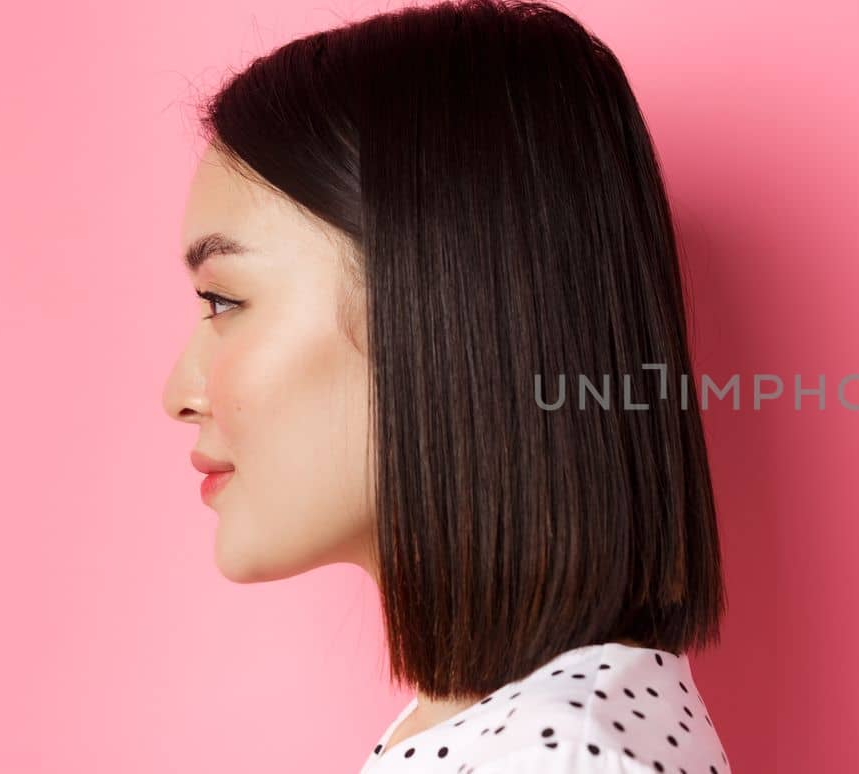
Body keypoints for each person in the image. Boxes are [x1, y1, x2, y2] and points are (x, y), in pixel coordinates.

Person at [159, 2, 730, 772]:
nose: (179, 392)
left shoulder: (555, 756)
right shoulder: (510, 729)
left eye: (225, 301)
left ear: (441, 302)